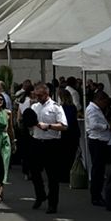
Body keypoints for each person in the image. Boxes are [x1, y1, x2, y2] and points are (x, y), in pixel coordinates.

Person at [29, 84, 68, 212]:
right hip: (36, 142)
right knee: (34, 172)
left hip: (51, 144)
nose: (37, 98)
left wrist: (49, 126)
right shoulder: (34, 107)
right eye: (36, 95)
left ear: (47, 94)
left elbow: (64, 126)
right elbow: (30, 122)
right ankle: (40, 195)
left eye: (40, 95)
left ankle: (53, 203)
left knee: (52, 176)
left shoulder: (56, 107)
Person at [85, 89, 111, 207]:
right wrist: (106, 126)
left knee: (99, 169)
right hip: (97, 140)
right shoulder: (92, 109)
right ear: (99, 100)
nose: (105, 105)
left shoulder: (95, 109)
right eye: (104, 102)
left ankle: (97, 194)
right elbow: (93, 125)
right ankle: (96, 196)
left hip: (99, 140)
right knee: (98, 169)